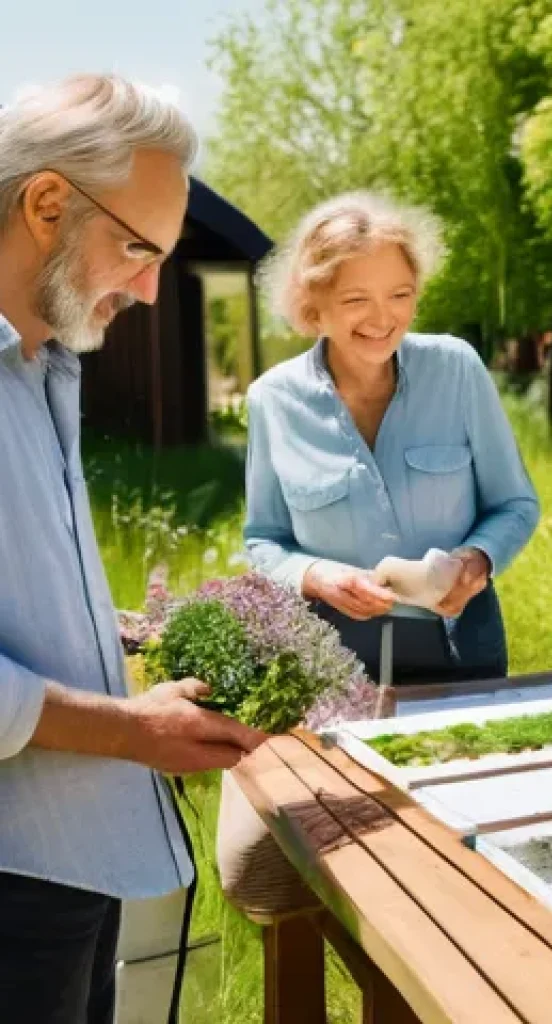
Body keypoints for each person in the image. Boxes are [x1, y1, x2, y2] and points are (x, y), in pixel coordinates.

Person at [0, 74, 266, 1024]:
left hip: (69, 856)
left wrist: (94, 626)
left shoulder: (41, 365)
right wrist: (131, 728)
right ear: (46, 204)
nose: (152, 289)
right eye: (138, 248)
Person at [243, 192, 539, 685]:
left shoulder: (457, 369)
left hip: (462, 652)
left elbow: (515, 504)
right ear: (313, 306)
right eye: (357, 299)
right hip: (330, 664)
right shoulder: (273, 399)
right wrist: (318, 577)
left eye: (399, 295)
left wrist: (477, 560)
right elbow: (265, 541)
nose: (383, 320)